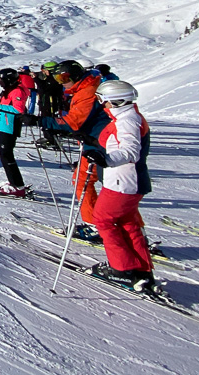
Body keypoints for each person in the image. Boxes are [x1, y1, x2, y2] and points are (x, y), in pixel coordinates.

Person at [84, 81, 154, 291]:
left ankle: (121, 269)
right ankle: (141, 271)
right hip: (126, 181)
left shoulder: (128, 121)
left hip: (123, 182)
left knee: (103, 219)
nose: (101, 104)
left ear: (115, 101)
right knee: (127, 223)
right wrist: (93, 144)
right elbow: (117, 144)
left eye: (102, 100)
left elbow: (131, 151)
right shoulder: (125, 117)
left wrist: (105, 160)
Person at [43, 60, 104, 239]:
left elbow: (74, 122)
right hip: (94, 142)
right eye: (58, 78)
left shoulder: (87, 91)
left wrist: (43, 122)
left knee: (85, 182)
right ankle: (105, 224)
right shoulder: (85, 88)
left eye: (64, 77)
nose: (61, 82)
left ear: (76, 75)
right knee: (86, 181)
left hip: (98, 145)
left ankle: (96, 225)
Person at [0, 68, 30, 196]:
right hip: (5, 125)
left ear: (8, 80)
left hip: (10, 126)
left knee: (6, 156)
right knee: (5, 156)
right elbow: (7, 106)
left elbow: (18, 109)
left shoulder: (17, 90)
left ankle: (17, 186)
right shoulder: (10, 89)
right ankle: (14, 183)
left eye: (1, 80)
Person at [35, 61, 65, 147]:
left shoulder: (54, 80)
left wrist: (36, 79)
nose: (44, 72)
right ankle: (48, 137)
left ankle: (51, 140)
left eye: (45, 70)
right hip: (46, 103)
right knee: (45, 120)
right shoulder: (49, 79)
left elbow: (44, 88)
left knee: (49, 121)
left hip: (51, 105)